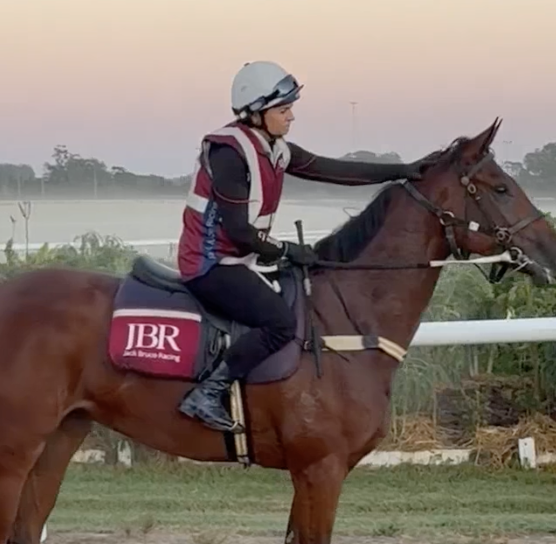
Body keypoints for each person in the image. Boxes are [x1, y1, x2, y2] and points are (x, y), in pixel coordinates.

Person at [176, 61, 435, 432]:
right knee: (280, 322)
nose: (291, 117)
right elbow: (238, 231)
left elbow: (333, 170)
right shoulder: (228, 152)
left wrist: (402, 170)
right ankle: (207, 393)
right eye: (283, 110)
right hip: (209, 264)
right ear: (257, 112)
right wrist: (285, 251)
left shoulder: (274, 148)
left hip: (241, 260)